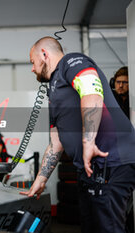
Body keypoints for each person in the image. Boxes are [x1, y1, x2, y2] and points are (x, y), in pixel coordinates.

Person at [20, 36, 135, 233]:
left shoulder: (72, 62)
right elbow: (56, 143)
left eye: (33, 62)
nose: (32, 69)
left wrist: (88, 141)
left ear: (44, 54)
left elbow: (91, 90)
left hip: (111, 162)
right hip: (89, 170)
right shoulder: (55, 89)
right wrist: (41, 179)